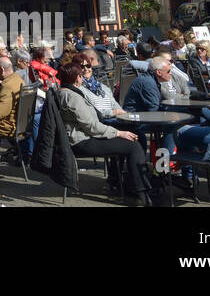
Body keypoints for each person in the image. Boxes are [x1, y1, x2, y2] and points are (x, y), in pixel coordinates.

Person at [51, 62, 152, 206]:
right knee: (133, 145)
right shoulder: (72, 97)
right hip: (81, 141)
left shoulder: (67, 92)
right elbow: (92, 127)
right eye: (81, 74)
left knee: (131, 140)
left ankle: (122, 181)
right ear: (77, 78)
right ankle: (141, 194)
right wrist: (118, 133)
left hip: (81, 137)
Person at [0, 56, 23, 139]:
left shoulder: (7, 86)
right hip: (17, 124)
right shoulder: (18, 79)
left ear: (2, 70)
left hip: (5, 126)